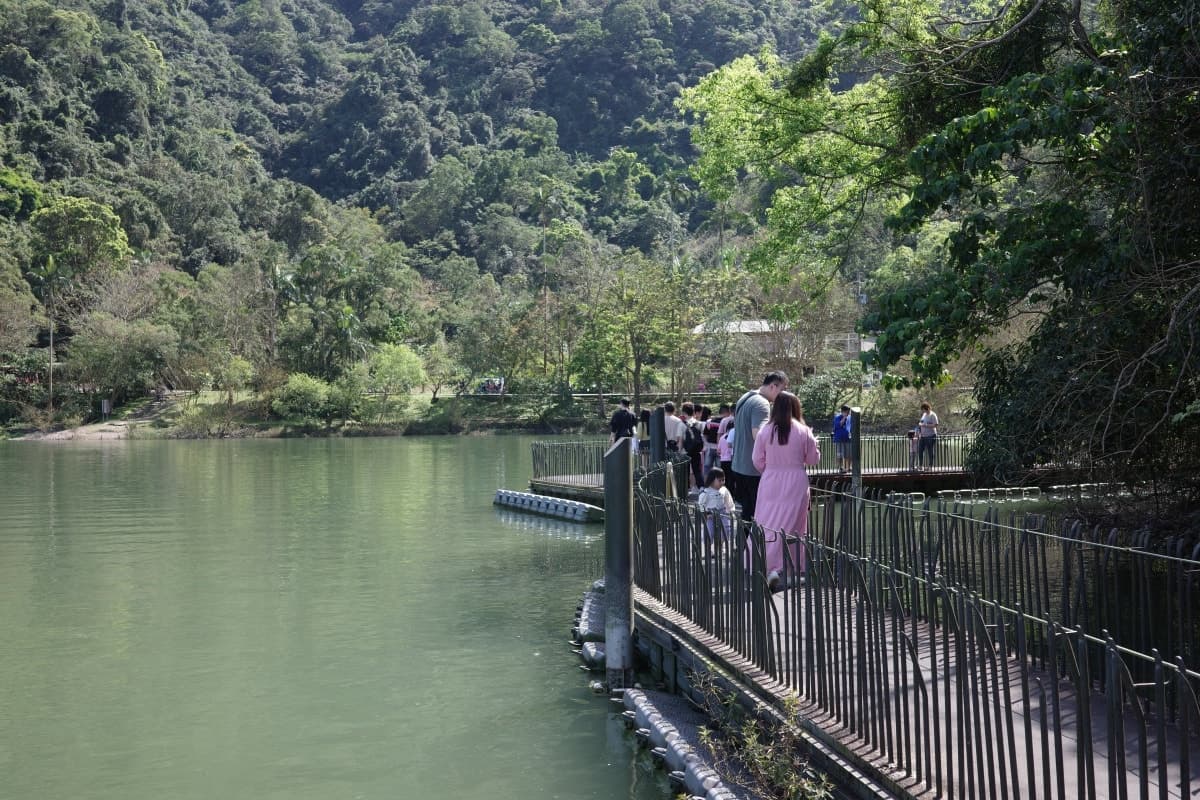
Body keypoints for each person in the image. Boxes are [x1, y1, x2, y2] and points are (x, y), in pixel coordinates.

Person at [751, 391, 820, 591]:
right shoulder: (803, 430)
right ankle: (788, 568)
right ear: (794, 407)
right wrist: (816, 445)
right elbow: (812, 460)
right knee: (794, 527)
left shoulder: (765, 431)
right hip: (796, 481)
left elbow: (756, 460)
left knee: (767, 522)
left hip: (771, 480)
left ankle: (766, 563)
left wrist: (771, 469)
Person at [730, 371, 789, 522]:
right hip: (753, 469)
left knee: (746, 513)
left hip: (739, 466)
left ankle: (745, 544)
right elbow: (760, 437)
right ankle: (755, 545)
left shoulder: (746, 396)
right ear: (773, 386)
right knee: (760, 514)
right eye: (782, 390)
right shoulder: (762, 404)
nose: (783, 395)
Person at [696, 467, 736, 538]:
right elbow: (701, 505)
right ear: (711, 480)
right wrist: (704, 514)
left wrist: (731, 511)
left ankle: (721, 545)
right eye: (719, 480)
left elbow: (729, 501)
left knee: (725, 531)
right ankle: (707, 547)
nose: (722, 482)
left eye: (723, 480)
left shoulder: (724, 490)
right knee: (709, 533)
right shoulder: (706, 492)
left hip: (722, 514)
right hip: (710, 515)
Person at [680, 402, 705, 487]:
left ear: (684, 412)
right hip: (696, 450)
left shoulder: (681, 424)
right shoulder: (699, 423)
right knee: (697, 471)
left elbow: (681, 440)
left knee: (685, 472)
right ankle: (701, 488)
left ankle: (686, 489)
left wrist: (679, 451)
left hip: (685, 451)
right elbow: (701, 436)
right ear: (693, 411)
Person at [917, 401, 939, 471]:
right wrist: (920, 425)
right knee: (920, 450)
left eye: (923, 409)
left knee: (930, 451)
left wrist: (925, 425)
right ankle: (920, 466)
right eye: (922, 409)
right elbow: (921, 422)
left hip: (930, 436)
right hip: (923, 436)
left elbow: (936, 425)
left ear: (927, 408)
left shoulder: (933, 415)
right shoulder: (924, 414)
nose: (923, 411)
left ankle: (930, 467)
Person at [832, 404, 853, 472]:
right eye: (847, 412)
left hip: (848, 438)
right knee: (840, 454)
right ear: (843, 411)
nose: (848, 413)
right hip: (839, 439)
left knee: (849, 454)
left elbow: (851, 427)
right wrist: (844, 418)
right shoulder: (837, 417)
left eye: (848, 412)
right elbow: (838, 425)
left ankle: (848, 468)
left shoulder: (850, 417)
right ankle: (841, 468)